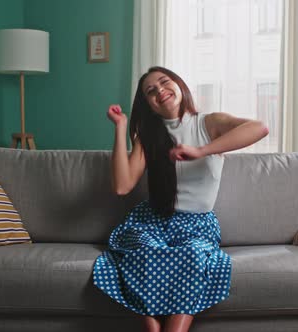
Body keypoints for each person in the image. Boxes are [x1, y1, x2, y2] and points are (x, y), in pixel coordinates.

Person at [93, 66, 269, 332]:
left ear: (179, 85)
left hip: (197, 225)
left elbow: (260, 127)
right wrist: (120, 128)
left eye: (164, 82)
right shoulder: (147, 138)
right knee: (143, 251)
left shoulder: (209, 123)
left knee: (195, 255)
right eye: (151, 91)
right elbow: (122, 186)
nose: (160, 91)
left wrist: (201, 151)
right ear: (148, 105)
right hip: (152, 221)